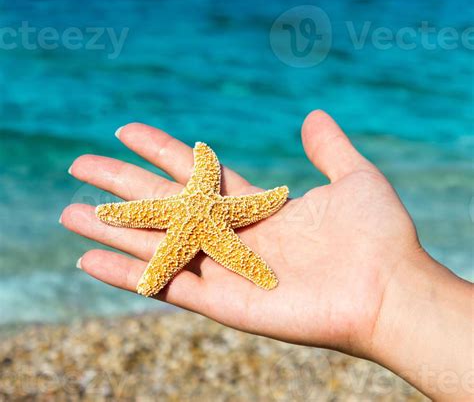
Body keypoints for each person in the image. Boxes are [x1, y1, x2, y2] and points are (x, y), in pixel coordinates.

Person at [60, 110, 473, 401]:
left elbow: (248, 205)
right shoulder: (207, 207)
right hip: (200, 219)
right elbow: (201, 186)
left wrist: (389, 296)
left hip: (199, 220)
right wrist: (395, 292)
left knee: (159, 255)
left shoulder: (211, 208)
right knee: (132, 231)